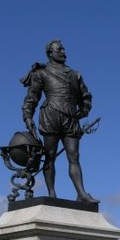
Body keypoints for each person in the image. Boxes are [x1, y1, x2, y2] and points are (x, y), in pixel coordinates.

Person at [21, 39, 98, 203]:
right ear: (50, 53)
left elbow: (86, 96)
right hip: (51, 116)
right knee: (50, 156)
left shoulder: (75, 75)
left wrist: (83, 110)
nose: (63, 52)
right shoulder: (41, 73)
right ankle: (51, 193)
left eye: (64, 49)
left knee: (74, 156)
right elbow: (32, 98)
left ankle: (81, 193)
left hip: (70, 117)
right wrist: (28, 116)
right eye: (59, 49)